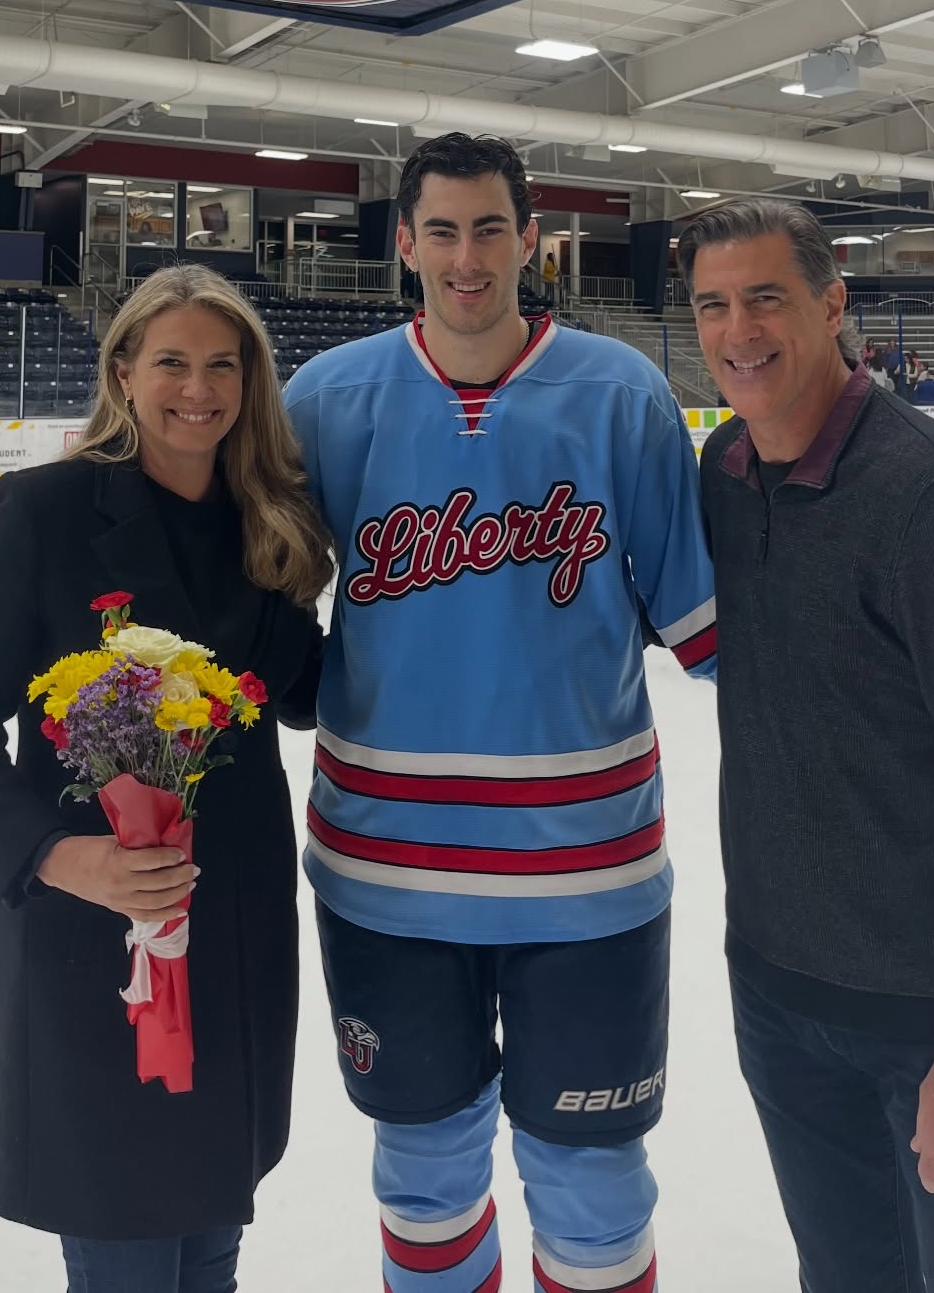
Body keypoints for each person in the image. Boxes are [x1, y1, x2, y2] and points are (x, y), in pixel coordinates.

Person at [284, 132, 717, 1293]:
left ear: (533, 239)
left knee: (593, 1172)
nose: (465, 256)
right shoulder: (324, 399)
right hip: (385, 867)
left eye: (489, 229)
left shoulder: (623, 393)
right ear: (405, 242)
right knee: (421, 1166)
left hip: (588, 870)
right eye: (441, 230)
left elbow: (714, 633)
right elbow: (247, 610)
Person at [0, 265, 333, 1293]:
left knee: (210, 1231)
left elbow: (305, 691)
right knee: (125, 1240)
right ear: (124, 371)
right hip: (96, 946)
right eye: (172, 360)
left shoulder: (264, 517)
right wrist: (56, 854)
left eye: (224, 364)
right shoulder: (45, 513)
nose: (200, 387)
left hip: (234, 929)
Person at [680, 198, 934, 1293]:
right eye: (713, 303)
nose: (739, 329)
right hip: (780, 997)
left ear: (832, 302)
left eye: (767, 296)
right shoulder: (725, 471)